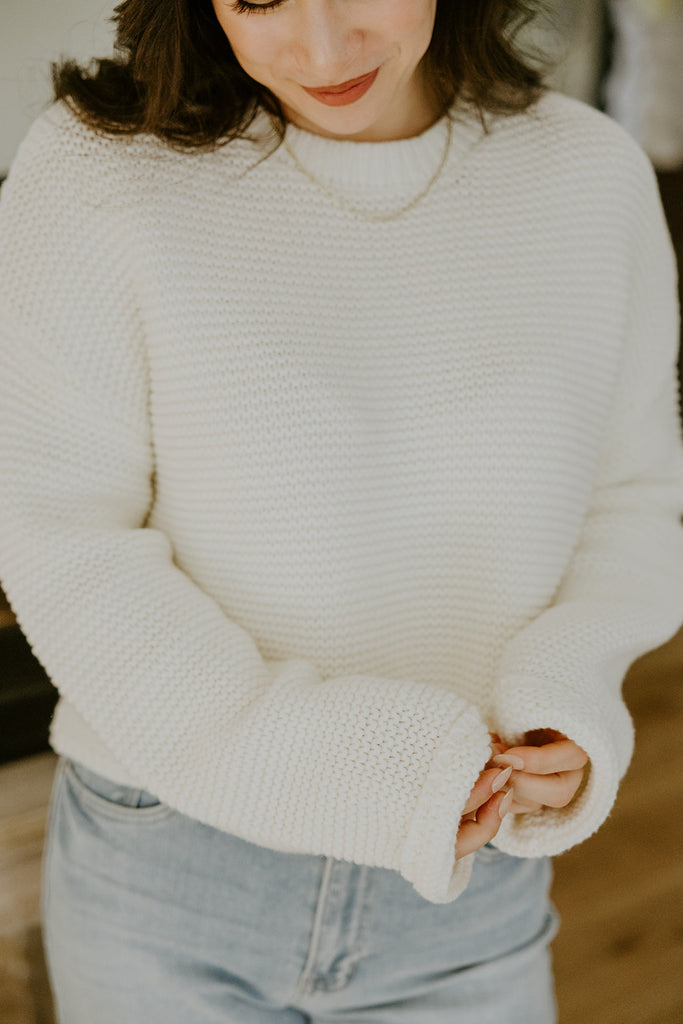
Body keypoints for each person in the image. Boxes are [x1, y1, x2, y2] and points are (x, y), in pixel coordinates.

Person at [0, 1, 682, 1021]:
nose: (321, 51)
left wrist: (566, 695)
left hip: (471, 886)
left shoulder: (590, 177)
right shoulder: (98, 172)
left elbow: (632, 497)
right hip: (170, 875)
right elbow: (62, 543)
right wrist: (362, 769)